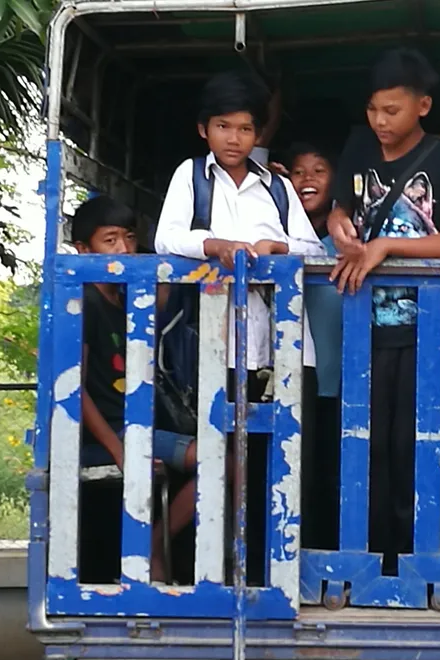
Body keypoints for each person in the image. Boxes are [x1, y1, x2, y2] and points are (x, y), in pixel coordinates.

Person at [155, 69, 325, 585]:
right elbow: (166, 239)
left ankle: (275, 578)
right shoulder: (190, 177)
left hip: (282, 349)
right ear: (203, 129)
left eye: (246, 129)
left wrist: (277, 249)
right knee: (222, 461)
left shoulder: (277, 186)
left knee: (280, 464)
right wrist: (216, 246)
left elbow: (313, 249)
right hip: (216, 348)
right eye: (224, 127)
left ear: (258, 133)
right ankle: (211, 575)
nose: (234, 139)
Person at [326, 47, 440, 572]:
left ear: (423, 106)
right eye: (373, 109)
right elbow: (341, 211)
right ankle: (366, 564)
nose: (380, 121)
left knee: (416, 446)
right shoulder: (358, 147)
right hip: (361, 325)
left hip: (427, 331)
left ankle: (416, 566)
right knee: (363, 448)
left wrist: (386, 246)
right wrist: (339, 228)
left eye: (392, 110)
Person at [73, 195, 200, 583]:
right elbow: (73, 391)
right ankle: (153, 548)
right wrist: (119, 450)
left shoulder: (130, 298)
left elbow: (167, 298)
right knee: (219, 462)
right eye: (109, 240)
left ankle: (156, 544)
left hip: (140, 428)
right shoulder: (85, 302)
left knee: (227, 461)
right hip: (112, 433)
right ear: (83, 250)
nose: (123, 250)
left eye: (129, 238)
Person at [289, 141, 343, 550]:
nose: (307, 180)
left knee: (335, 479)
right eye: (298, 172)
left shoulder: (349, 237)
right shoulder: (276, 233)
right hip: (291, 383)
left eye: (319, 170)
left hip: (342, 383)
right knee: (294, 479)